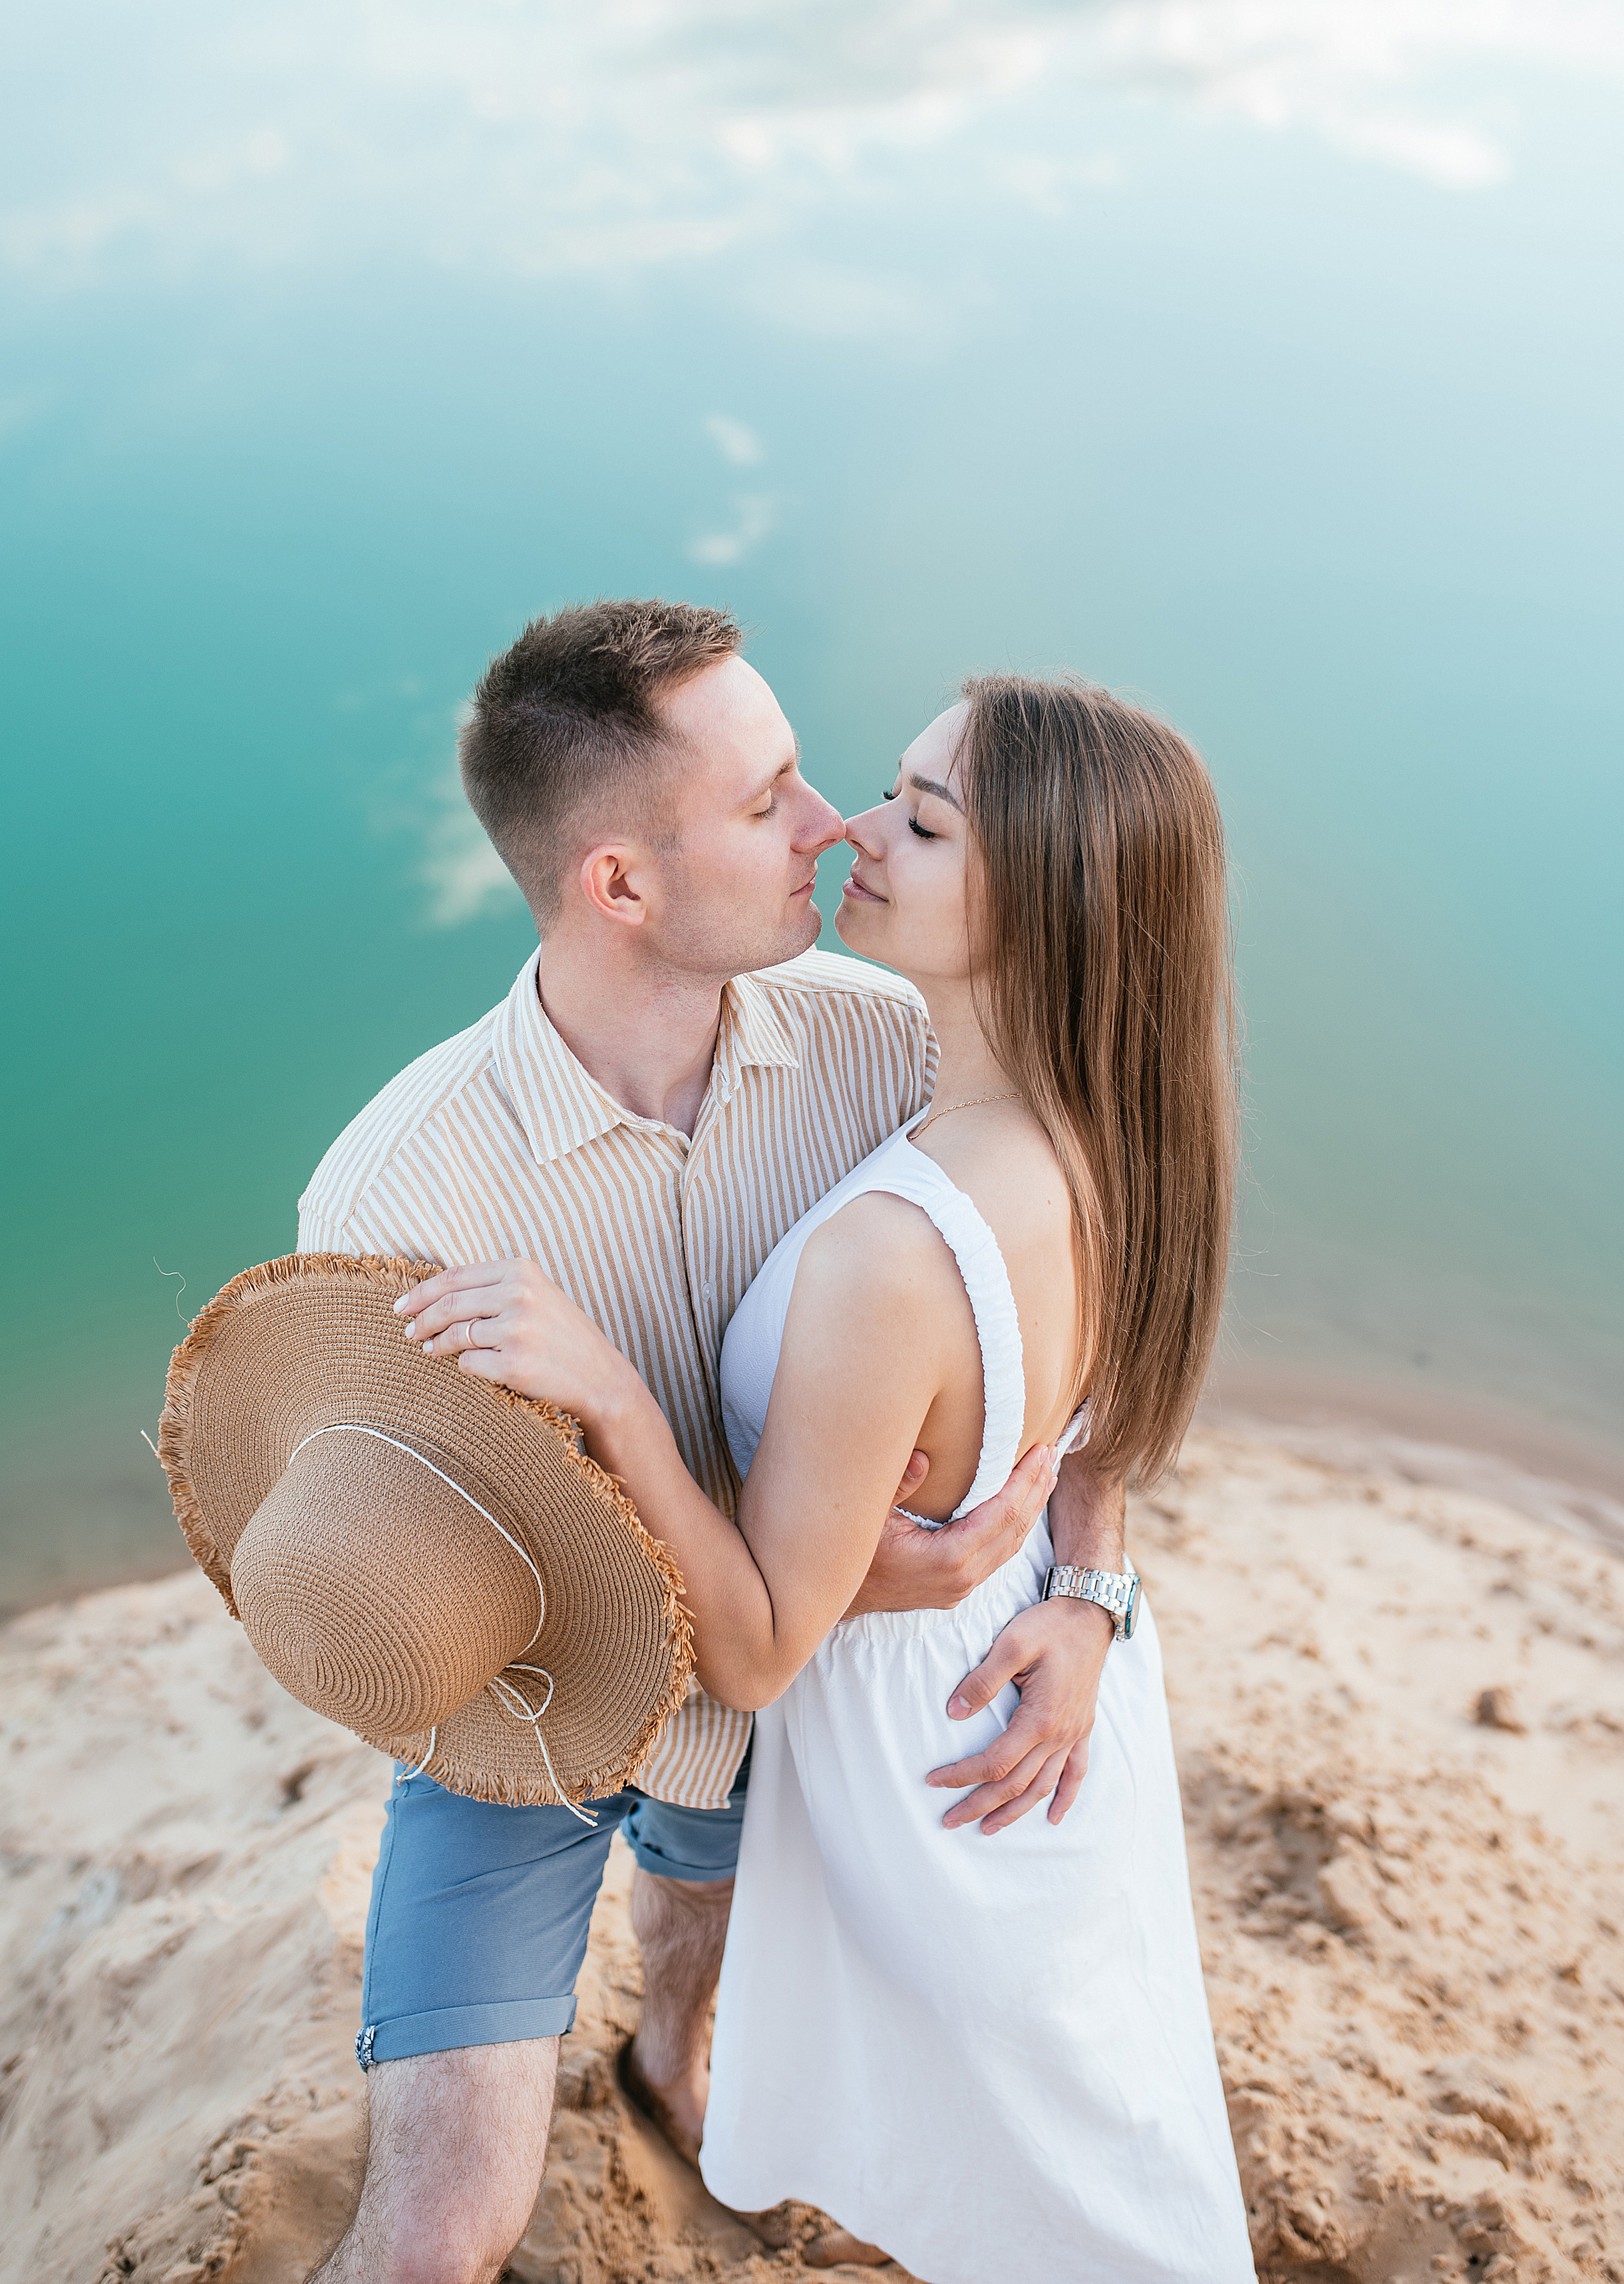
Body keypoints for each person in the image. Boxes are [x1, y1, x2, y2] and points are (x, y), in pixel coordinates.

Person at [303, 604, 1131, 2284]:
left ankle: (671, 2064)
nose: (828, 823)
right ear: (619, 883)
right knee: (441, 2232)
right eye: (767, 804)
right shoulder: (386, 1200)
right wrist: (814, 1594)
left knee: (701, 1930)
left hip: (794, 1711)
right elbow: (387, 1574)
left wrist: (1089, 1589)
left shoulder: (894, 1041)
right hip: (523, 1722)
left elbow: (1081, 1330)